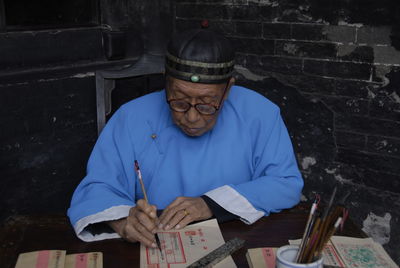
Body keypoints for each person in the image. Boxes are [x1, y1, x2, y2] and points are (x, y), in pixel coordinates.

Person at [67, 28, 304, 248]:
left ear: (228, 89)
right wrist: (121, 219)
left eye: (206, 104)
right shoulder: (131, 117)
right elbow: (99, 185)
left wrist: (209, 204)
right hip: (156, 243)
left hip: (236, 242)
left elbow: (285, 183)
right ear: (165, 81)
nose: (191, 117)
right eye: (179, 101)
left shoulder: (260, 113)